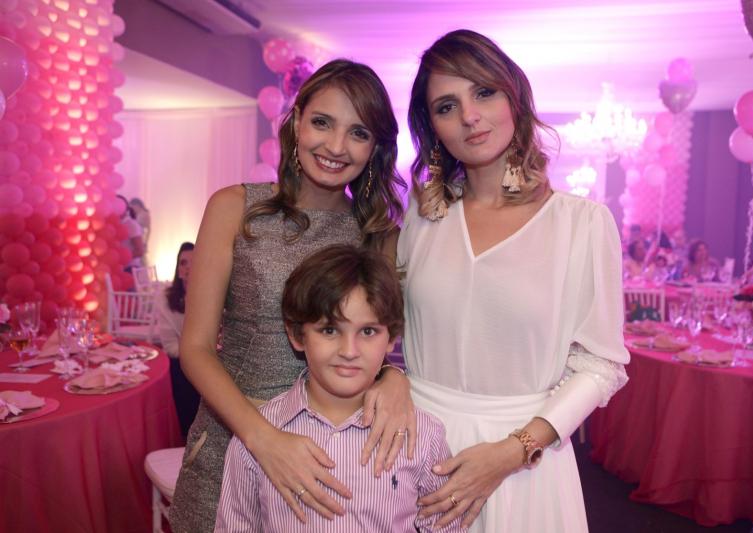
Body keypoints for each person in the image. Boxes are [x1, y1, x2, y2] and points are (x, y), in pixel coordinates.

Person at [398, 29, 629, 532]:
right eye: (446, 106)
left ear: (514, 98)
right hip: (416, 451)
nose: (469, 116)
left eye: (483, 92)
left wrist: (513, 451)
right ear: (433, 128)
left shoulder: (582, 224)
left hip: (524, 462)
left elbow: (601, 364)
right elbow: (388, 331)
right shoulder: (421, 217)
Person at [169, 60, 411, 532]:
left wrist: (393, 377)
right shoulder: (235, 208)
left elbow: (370, 343)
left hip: (331, 453)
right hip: (234, 437)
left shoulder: (377, 234)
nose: (336, 146)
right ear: (297, 121)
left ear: (376, 148)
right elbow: (195, 349)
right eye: (322, 122)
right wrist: (263, 438)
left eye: (358, 133)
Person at [215, 244, 459, 532]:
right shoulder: (258, 435)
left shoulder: (424, 436)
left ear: (391, 337)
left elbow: (446, 526)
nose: (349, 351)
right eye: (329, 330)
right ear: (297, 335)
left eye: (368, 331)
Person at [155, 241, 200, 439]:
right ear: (178, 270)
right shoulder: (167, 299)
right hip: (182, 362)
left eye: (194, 261)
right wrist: (196, 353)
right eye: (183, 263)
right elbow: (170, 346)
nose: (188, 267)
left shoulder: (214, 295)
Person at [117, 194, 145, 272]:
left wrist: (121, 258)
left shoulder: (131, 224)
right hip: (120, 269)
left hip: (130, 268)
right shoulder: (117, 224)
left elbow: (140, 251)